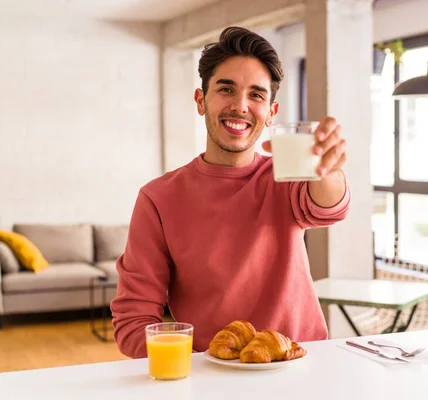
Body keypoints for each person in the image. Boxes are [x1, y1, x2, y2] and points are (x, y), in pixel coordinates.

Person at [110, 26, 350, 358]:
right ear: (200, 100)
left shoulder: (286, 176)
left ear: (270, 114)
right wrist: (195, 371)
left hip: (302, 365)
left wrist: (329, 168)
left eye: (256, 94)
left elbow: (329, 206)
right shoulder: (158, 199)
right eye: (226, 89)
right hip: (212, 375)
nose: (240, 106)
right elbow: (135, 322)